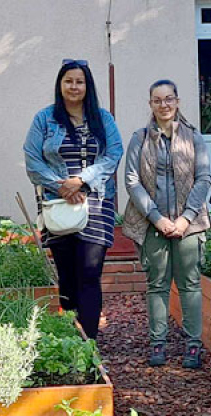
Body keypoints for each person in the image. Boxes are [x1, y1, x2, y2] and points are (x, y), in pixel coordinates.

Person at [23, 59, 123, 339]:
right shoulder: (45, 119)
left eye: (79, 81)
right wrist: (62, 185)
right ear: (60, 85)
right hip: (59, 204)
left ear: (87, 85)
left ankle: (89, 344)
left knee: (90, 274)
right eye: (69, 81)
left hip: (96, 204)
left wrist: (82, 180)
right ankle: (71, 339)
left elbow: (113, 153)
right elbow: (32, 159)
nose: (74, 87)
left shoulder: (103, 118)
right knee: (67, 277)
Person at [123, 80, 211, 368]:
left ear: (178, 101)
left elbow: (203, 178)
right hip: (153, 224)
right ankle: (158, 344)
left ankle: (193, 346)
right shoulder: (139, 138)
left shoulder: (194, 137)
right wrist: (157, 219)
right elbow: (132, 182)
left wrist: (185, 218)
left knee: (190, 284)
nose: (164, 104)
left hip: (189, 224)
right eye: (157, 100)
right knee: (157, 284)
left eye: (169, 99)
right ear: (150, 104)